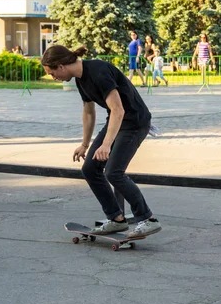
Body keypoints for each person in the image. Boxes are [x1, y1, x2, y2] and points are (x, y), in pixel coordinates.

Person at [41, 44, 162, 238]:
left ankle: (147, 219)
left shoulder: (98, 71)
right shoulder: (81, 79)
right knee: (90, 169)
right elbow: (88, 113)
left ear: (61, 66)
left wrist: (106, 145)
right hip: (117, 122)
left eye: (52, 73)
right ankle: (116, 219)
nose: (53, 78)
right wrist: (85, 144)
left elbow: (118, 109)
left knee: (114, 172)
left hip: (134, 122)